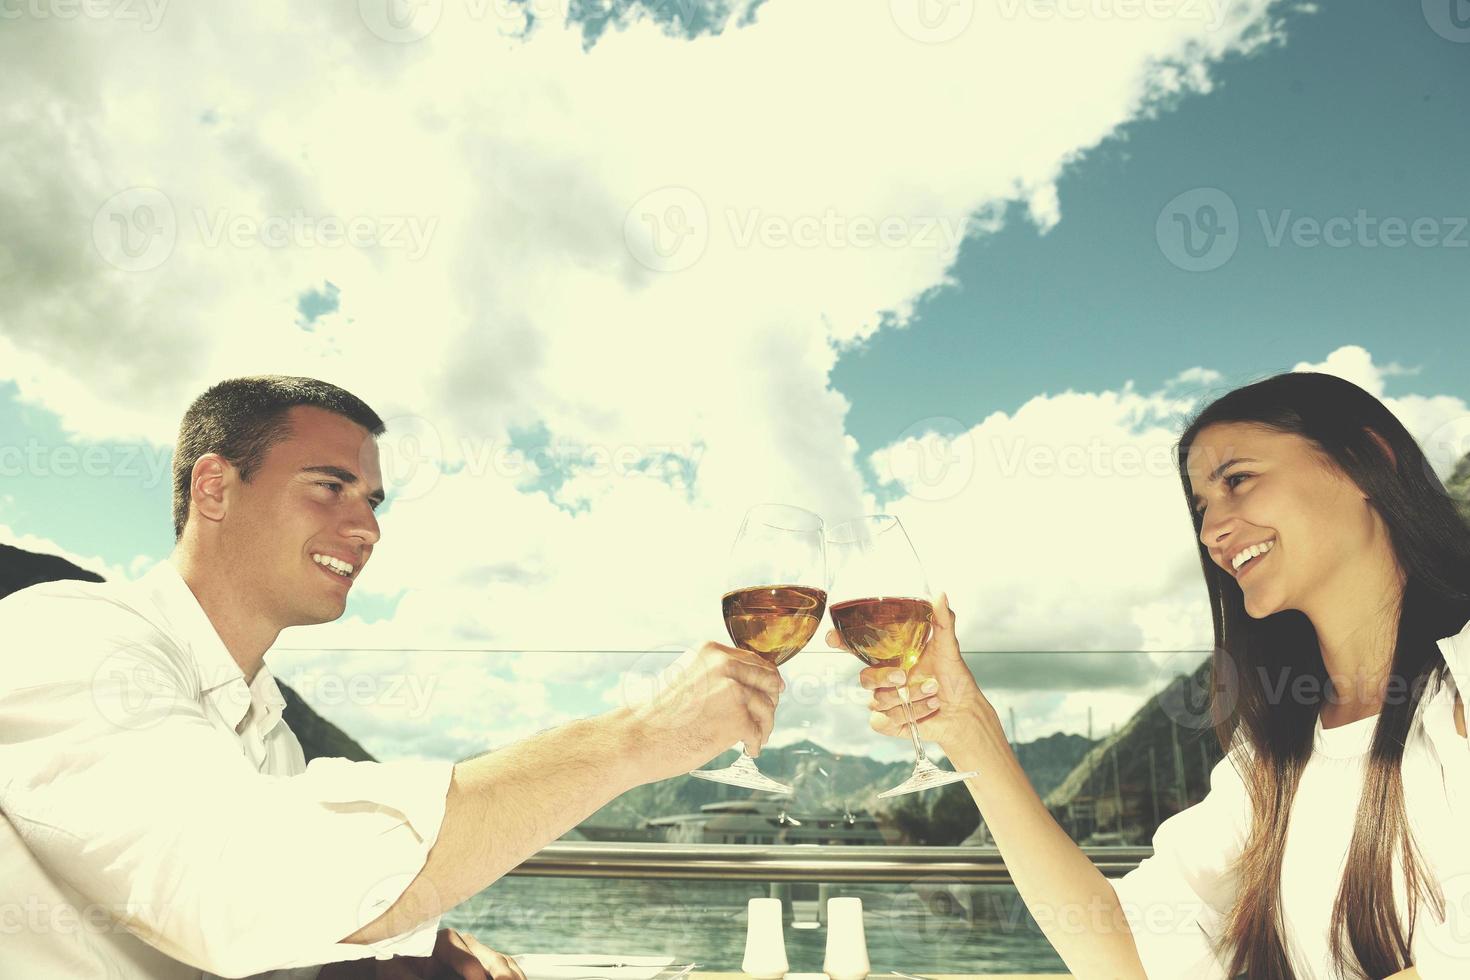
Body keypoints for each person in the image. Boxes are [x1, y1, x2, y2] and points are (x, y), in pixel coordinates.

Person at [0, 376, 783, 980]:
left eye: (372, 500)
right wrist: (641, 737)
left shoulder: (267, 739)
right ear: (214, 487)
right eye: (329, 486)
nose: (367, 526)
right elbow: (225, 885)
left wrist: (406, 948)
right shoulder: (70, 636)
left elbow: (260, 929)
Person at [832, 372, 1470, 979]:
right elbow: (1123, 954)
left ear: (1370, 459)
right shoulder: (1275, 755)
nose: (1214, 530)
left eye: (1240, 480)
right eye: (1201, 507)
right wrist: (971, 736)